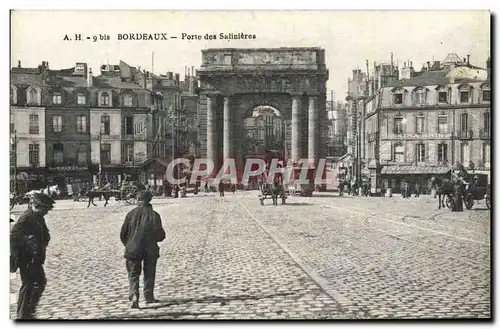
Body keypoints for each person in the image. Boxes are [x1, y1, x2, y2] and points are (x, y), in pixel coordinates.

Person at [10, 193, 55, 319]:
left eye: (47, 210)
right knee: (30, 283)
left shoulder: (38, 216)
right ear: (36, 205)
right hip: (27, 258)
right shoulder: (27, 217)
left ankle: (27, 312)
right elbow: (14, 236)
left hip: (35, 257)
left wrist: (43, 241)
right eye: (44, 209)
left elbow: (45, 233)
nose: (46, 212)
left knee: (38, 282)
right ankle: (24, 315)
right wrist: (28, 242)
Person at [120, 191, 165, 309]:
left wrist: (129, 244)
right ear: (149, 200)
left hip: (133, 248)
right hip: (150, 249)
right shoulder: (154, 215)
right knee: (149, 272)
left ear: (137, 199)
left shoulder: (130, 214)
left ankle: (134, 294)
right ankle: (148, 296)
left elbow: (123, 234)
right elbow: (160, 236)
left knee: (133, 273)